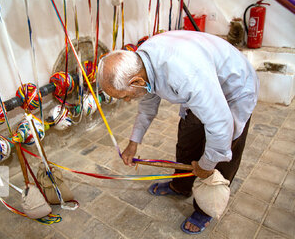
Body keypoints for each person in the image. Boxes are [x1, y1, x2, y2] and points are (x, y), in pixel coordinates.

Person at [97, 30, 259, 234]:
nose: (128, 101)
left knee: (222, 154)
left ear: (136, 82)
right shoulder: (143, 61)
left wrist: (207, 166)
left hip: (234, 89)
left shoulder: (185, 76)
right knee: (187, 139)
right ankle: (181, 186)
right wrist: (133, 142)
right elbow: (147, 103)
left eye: (124, 96)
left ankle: (205, 208)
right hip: (204, 82)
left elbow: (221, 125)